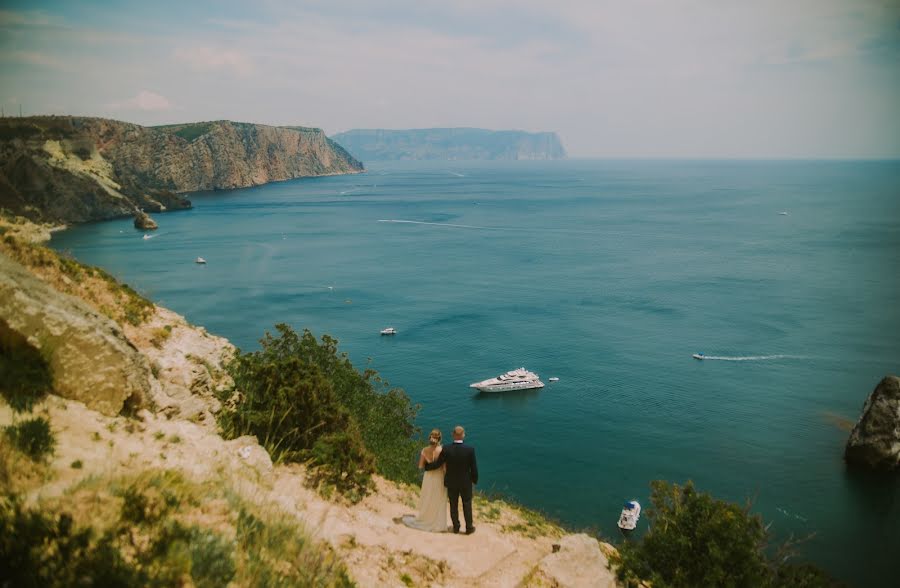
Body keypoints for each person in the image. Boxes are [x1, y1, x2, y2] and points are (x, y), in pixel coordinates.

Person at [425, 425, 478, 534]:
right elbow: (474, 468)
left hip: (451, 481)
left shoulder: (447, 449)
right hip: (465, 483)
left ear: (453, 435)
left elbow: (438, 464)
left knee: (453, 505)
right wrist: (474, 480)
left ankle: (456, 527)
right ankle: (469, 528)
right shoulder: (470, 450)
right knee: (467, 504)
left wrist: (427, 467)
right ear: (463, 435)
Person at [401, 429, 448, 532]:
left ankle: (425, 517)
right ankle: (436, 521)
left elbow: (420, 466)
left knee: (428, 497)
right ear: (439, 439)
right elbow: (444, 468)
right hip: (439, 477)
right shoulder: (442, 451)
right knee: (438, 499)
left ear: (429, 438)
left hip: (428, 477)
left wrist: (428, 464)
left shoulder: (424, 450)